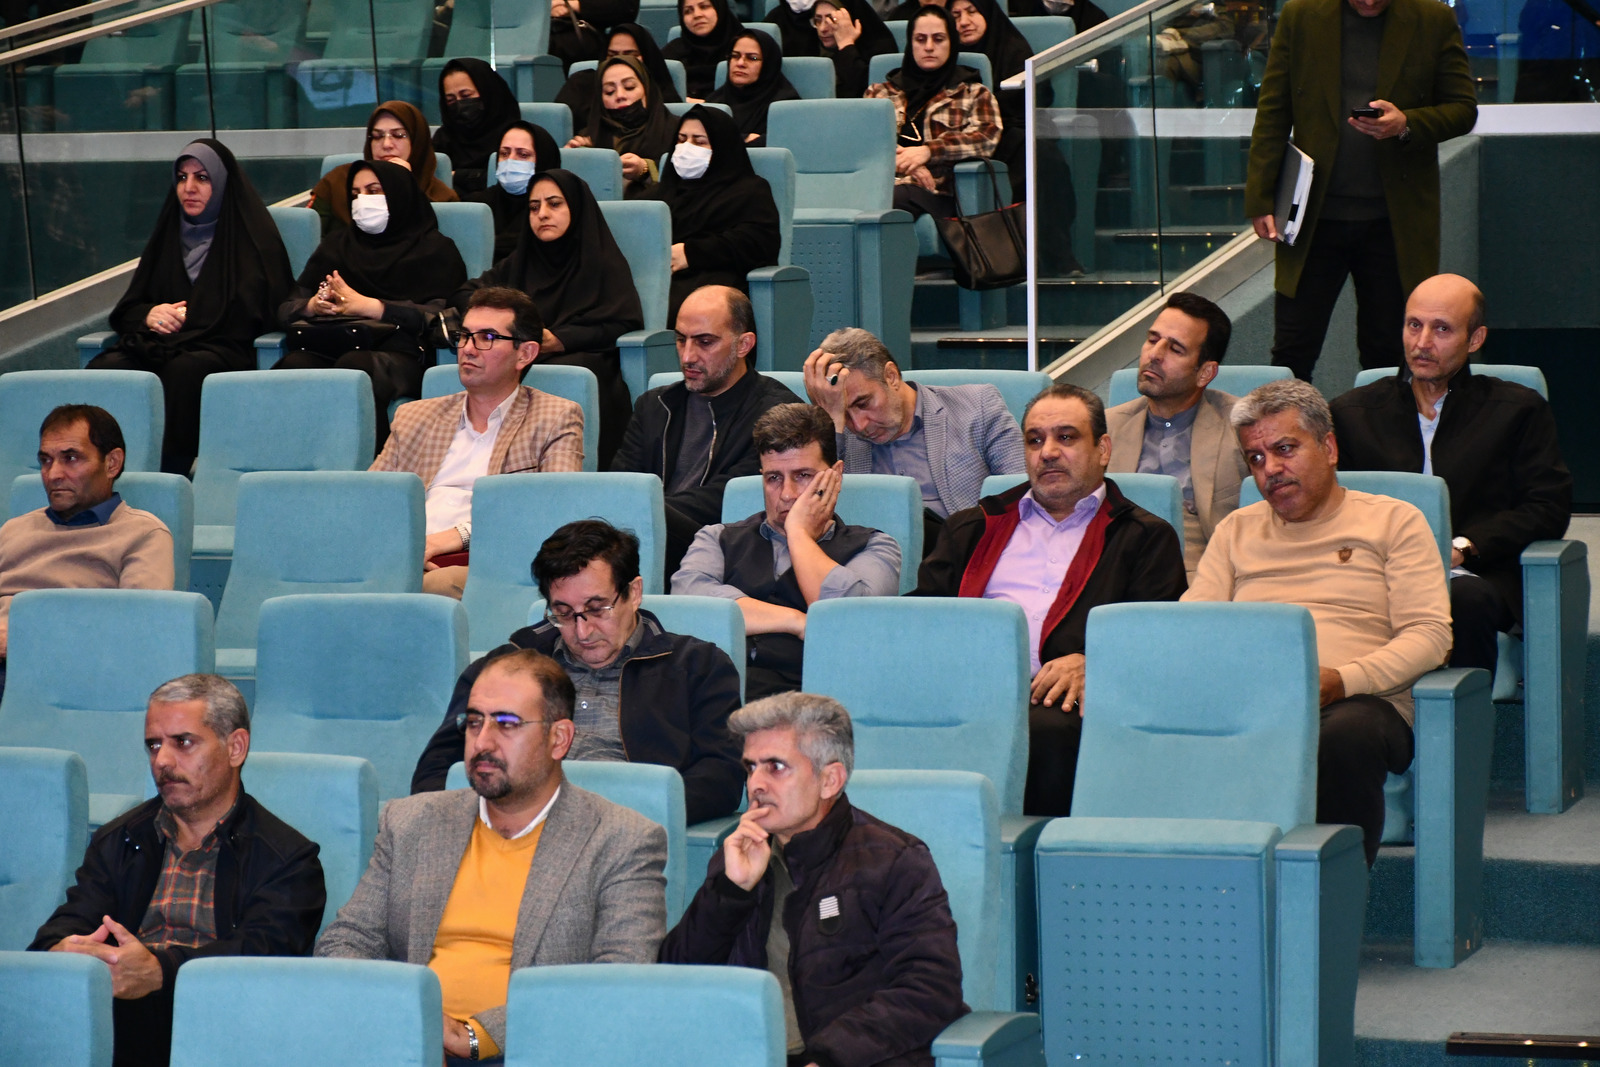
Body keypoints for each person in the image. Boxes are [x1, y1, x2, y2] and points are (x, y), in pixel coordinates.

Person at [317, 648, 668, 1063]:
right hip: (404, 1043)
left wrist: (475, 1035)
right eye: (474, 722)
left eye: (506, 724)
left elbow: (616, 981)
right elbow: (348, 940)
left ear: (559, 739)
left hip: (533, 1051)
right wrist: (405, 1021)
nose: (482, 742)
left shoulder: (622, 840)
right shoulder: (411, 822)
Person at [1185, 378, 1453, 864]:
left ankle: (1331, 893)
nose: (1270, 469)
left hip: (1363, 701)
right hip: (1254, 699)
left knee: (1345, 736)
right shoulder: (1234, 530)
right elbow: (1193, 629)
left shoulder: (1394, 520)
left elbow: (1431, 635)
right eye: (1256, 458)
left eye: (1285, 449)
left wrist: (1343, 680)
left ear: (1328, 448)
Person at [914, 383, 1187, 815]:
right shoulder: (974, 528)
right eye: (1035, 440)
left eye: (1066, 437)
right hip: (967, 688)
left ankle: (1033, 849)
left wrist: (1095, 660)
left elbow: (1160, 642)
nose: (1048, 452)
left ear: (1102, 449)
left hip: (1062, 703)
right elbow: (920, 620)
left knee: (1044, 729)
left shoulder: (1144, 537)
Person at [30, 674, 326, 1067]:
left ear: (235, 747)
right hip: (120, 1034)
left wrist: (160, 971)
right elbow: (66, 925)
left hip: (223, 1038)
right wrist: (62, 950)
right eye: (154, 745)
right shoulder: (120, 839)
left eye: (183, 742)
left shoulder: (287, 860)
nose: (162, 761)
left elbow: (259, 962)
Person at [659, 692, 968, 1067]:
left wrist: (828, 1058)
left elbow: (929, 988)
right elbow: (674, 980)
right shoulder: (739, 854)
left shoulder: (893, 861)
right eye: (750, 767)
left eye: (775, 767)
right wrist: (730, 892)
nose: (755, 784)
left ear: (829, 780)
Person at [411, 519, 745, 823]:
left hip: (625, 829)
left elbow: (721, 779)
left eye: (597, 609)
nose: (583, 632)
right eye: (564, 613)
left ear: (634, 593)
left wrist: (634, 814)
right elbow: (436, 770)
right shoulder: (503, 668)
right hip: (514, 827)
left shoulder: (698, 666)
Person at [1330, 273, 1572, 675]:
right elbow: (1335, 504)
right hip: (1376, 570)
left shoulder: (1517, 410)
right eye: (1414, 325)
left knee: (1463, 600)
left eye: (1441, 329)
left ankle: (1461, 713)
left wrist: (1464, 545)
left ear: (1475, 339)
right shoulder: (1352, 414)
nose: (1422, 342)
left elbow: (1547, 507)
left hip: (1474, 571)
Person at [1245, 0, 1478, 381]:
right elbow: (1273, 110)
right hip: (1313, 218)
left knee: (1387, 352)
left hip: (1395, 222)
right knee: (1292, 349)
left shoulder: (1432, 18)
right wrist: (1261, 197)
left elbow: (1463, 109)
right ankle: (1286, 423)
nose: (1369, 2)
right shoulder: (1301, 16)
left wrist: (1406, 124)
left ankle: (1386, 422)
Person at [88, 141, 293, 476]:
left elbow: (266, 311)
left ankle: (166, 477)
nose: (189, 188)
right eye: (182, 177)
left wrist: (195, 316)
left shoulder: (253, 238)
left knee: (183, 372)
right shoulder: (168, 234)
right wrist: (150, 314)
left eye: (202, 177)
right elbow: (129, 308)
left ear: (222, 183)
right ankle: (99, 472)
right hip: (162, 344)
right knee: (107, 366)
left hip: (223, 348)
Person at [672, 403, 902, 700]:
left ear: (835, 475)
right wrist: (796, 621)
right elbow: (691, 603)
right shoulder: (717, 538)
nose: (787, 494)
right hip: (720, 694)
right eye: (773, 478)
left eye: (803, 475)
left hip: (815, 700)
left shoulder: (875, 545)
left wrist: (798, 533)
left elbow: (849, 621)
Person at [371, 287, 585, 599]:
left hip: (488, 564)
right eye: (464, 335)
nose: (468, 349)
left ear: (525, 354)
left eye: (486, 337)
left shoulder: (555, 417)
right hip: (406, 555)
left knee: (431, 588)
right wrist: (405, 548)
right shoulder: (415, 416)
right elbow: (372, 500)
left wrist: (457, 537)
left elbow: (552, 512)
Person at [454, 169, 644, 468]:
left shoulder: (602, 261)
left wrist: (560, 339)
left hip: (581, 355)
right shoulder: (521, 261)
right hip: (522, 354)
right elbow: (466, 293)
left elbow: (622, 322)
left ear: (576, 208)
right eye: (533, 207)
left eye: (554, 204)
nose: (542, 214)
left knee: (573, 369)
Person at [612, 285, 802, 579]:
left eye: (704, 342)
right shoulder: (655, 406)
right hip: (642, 543)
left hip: (727, 550)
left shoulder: (778, 413)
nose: (687, 356)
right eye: (680, 340)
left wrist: (643, 510)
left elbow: (731, 497)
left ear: (743, 345)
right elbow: (622, 484)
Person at [276, 159, 468, 444]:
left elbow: (442, 317)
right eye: (356, 194)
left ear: (399, 194)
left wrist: (371, 307)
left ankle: (368, 462)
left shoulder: (435, 249)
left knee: (356, 367)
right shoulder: (336, 245)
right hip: (332, 342)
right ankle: (295, 460)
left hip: (403, 352)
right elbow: (285, 307)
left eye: (374, 191)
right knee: (294, 366)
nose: (362, 201)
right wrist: (312, 306)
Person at [802, 327, 1024, 556]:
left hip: (968, 556)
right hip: (871, 563)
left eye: (864, 403)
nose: (859, 425)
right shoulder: (838, 437)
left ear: (891, 376)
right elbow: (811, 510)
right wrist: (831, 421)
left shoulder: (977, 407)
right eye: (844, 413)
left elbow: (1025, 494)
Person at [0, 406, 174, 693]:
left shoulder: (143, 534)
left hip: (66, 674)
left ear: (112, 463)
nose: (53, 474)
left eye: (71, 458)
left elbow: (138, 630)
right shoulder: (13, 530)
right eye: (45, 461)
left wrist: (25, 638)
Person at [1105, 293, 1248, 576]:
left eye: (1175, 349)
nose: (1154, 355)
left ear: (1205, 373)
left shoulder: (1241, 428)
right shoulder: (1105, 428)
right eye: (1152, 339)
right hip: (1116, 571)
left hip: (1203, 575)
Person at [865, 7, 1003, 222]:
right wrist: (903, 163)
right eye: (920, 39)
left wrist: (929, 152)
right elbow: (863, 143)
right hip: (884, 183)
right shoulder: (879, 93)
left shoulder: (973, 93)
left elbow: (986, 137)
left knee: (885, 199)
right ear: (910, 44)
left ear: (952, 43)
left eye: (938, 39)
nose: (929, 47)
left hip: (936, 192)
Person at [652, 105, 782, 325]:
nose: (686, 148)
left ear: (722, 147)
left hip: (720, 283)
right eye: (681, 139)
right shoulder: (662, 192)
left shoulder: (750, 190)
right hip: (662, 282)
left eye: (699, 141)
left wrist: (691, 253)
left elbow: (757, 243)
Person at [308, 101, 458, 236]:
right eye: (377, 136)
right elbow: (307, 238)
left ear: (417, 142)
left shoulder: (442, 199)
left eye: (398, 135)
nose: (386, 144)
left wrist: (404, 185)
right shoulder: (337, 181)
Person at [566, 55, 679, 198]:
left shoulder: (677, 130)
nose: (620, 95)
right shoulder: (589, 137)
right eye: (609, 91)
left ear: (647, 89)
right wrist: (574, 160)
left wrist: (646, 169)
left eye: (629, 87)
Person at [556, 23, 684, 134]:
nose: (620, 61)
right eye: (612, 55)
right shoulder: (581, 85)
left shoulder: (662, 94)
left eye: (630, 55)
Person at [467, 121, 563, 263]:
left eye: (523, 155)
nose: (510, 160)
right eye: (504, 153)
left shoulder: (558, 210)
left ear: (543, 160)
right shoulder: (476, 205)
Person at [433, 58, 523, 196]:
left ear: (487, 92)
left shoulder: (513, 136)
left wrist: (458, 176)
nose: (459, 105)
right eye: (451, 100)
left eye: (466, 95)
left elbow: (513, 179)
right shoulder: (443, 138)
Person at [706, 29, 802, 146]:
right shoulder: (714, 101)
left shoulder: (785, 105)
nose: (740, 63)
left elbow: (781, 141)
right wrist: (744, 138)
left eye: (752, 58)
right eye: (735, 56)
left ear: (768, 65)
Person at [806, 0, 901, 98]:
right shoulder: (812, 49)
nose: (822, 29)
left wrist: (846, 45)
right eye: (818, 20)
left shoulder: (880, 50)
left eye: (832, 19)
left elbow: (864, 93)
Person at [662, 0, 744, 99]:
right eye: (688, 11)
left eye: (704, 7)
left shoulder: (743, 49)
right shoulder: (673, 52)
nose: (697, 15)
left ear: (720, 8)